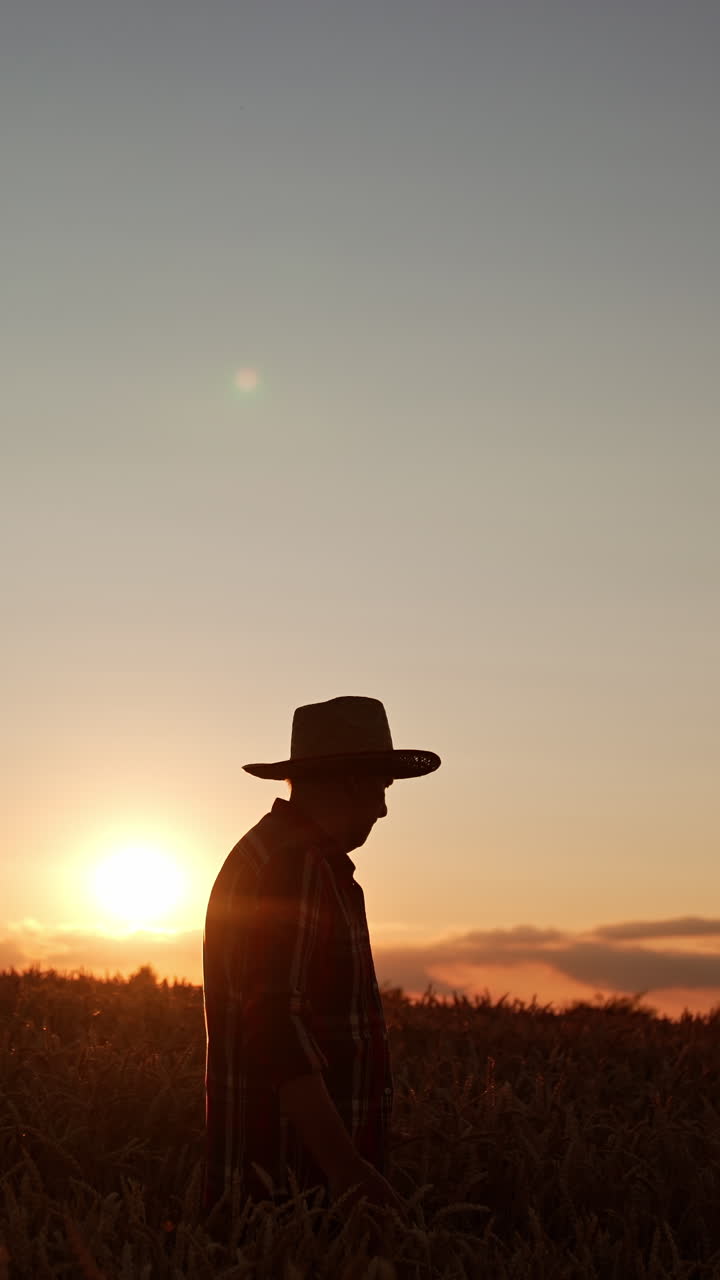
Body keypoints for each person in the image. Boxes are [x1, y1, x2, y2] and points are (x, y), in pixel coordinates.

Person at [202, 695, 440, 1225]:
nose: (383, 808)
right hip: (292, 1191)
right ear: (354, 780)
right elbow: (276, 1030)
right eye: (381, 787)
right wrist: (348, 1168)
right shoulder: (297, 865)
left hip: (281, 1181)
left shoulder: (276, 854)